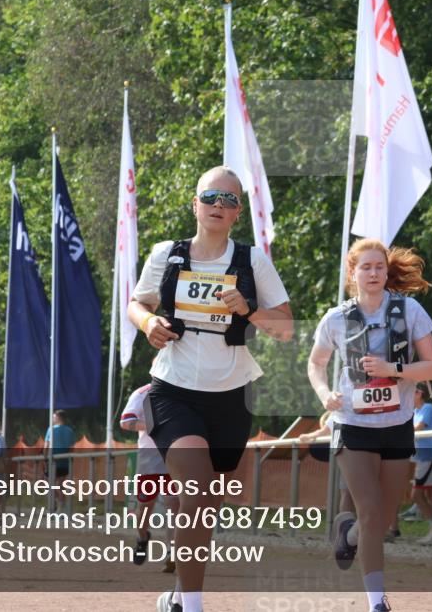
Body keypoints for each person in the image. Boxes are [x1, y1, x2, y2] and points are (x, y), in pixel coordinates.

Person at [127, 166, 293, 612]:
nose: (220, 205)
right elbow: (136, 303)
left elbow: (287, 328)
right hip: (173, 388)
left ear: (239, 212)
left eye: (230, 200)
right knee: (197, 490)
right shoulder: (167, 254)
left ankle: (179, 594)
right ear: (195, 203)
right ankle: (195, 604)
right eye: (212, 197)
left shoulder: (252, 261)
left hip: (231, 396)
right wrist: (149, 324)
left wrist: (249, 308)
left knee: (203, 503)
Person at [308, 238, 432, 612]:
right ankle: (377, 602)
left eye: (379, 267)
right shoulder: (335, 318)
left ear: (386, 271)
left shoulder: (409, 310)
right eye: (365, 267)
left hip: (397, 423)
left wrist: (392, 369)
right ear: (353, 273)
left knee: (381, 517)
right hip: (352, 422)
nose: (373, 273)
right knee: (368, 510)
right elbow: (315, 363)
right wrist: (324, 395)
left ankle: (347, 534)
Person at [120, 382, 180, 574]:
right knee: (145, 507)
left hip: (175, 455)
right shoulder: (142, 393)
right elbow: (125, 422)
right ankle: (142, 537)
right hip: (150, 458)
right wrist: (153, 426)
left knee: (175, 504)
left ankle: (173, 552)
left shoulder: (183, 390)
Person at [299, 412, 356, 515]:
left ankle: (390, 528)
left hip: (357, 452)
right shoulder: (338, 411)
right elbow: (326, 429)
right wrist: (311, 435)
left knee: (348, 492)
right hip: (349, 454)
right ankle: (346, 526)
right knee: (347, 492)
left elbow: (325, 430)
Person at [409, 383, 432, 545]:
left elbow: (419, 428)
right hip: (421, 457)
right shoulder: (415, 411)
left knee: (417, 495)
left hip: (427, 455)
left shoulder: (427, 408)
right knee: (426, 495)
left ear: (419, 393)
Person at [43, 410, 75, 507]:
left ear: (58, 417)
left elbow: (46, 446)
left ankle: (56, 503)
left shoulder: (51, 430)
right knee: (60, 485)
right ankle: (61, 506)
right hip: (65, 461)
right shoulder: (70, 431)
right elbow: (72, 448)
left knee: (49, 483)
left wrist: (45, 459)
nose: (52, 419)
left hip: (53, 461)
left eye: (54, 417)